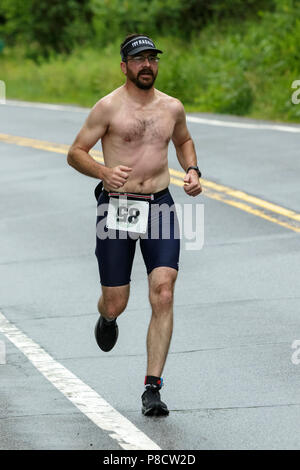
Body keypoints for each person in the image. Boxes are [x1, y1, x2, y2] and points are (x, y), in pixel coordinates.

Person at [67, 34, 202, 417]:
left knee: (164, 291)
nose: (147, 65)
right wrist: (104, 172)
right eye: (138, 59)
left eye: (152, 59)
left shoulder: (171, 107)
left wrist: (191, 169)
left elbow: (184, 141)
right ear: (124, 66)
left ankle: (152, 388)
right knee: (118, 299)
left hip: (159, 205)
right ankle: (108, 316)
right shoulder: (108, 107)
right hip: (117, 207)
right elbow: (75, 153)